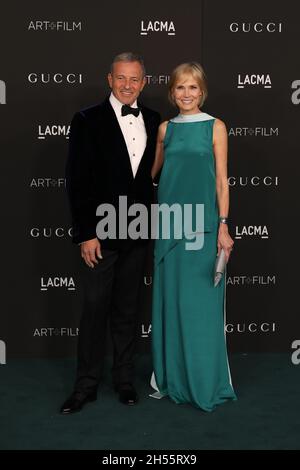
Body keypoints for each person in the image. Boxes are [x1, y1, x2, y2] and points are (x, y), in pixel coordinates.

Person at [60, 52, 160, 414]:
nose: (128, 85)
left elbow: (152, 178)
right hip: (100, 232)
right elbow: (77, 179)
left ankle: (123, 380)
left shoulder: (153, 118)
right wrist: (87, 233)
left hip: (138, 228)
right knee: (93, 308)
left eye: (135, 79)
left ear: (144, 82)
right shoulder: (87, 119)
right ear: (109, 80)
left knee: (127, 310)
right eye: (121, 78)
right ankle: (85, 385)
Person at [150, 62, 237, 411]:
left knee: (200, 308)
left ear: (202, 92)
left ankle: (204, 381)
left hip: (202, 228)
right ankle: (174, 379)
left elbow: (221, 180)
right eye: (181, 88)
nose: (187, 94)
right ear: (172, 92)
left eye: (193, 88)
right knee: (172, 304)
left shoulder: (216, 127)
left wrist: (224, 225)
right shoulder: (164, 129)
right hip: (169, 227)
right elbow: (152, 173)